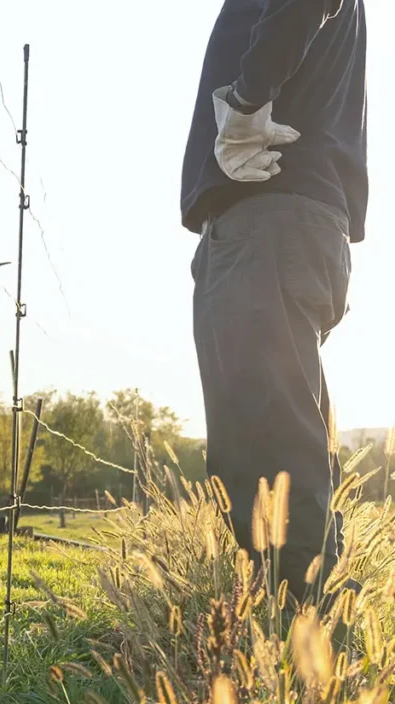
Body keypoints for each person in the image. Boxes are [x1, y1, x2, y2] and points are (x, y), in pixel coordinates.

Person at [180, 0, 367, 601]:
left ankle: (296, 621)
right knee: (271, 426)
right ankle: (284, 609)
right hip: (277, 222)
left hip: (270, 215)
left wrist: (244, 105)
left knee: (267, 429)